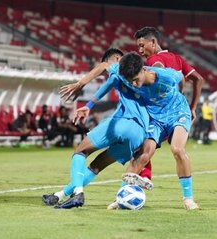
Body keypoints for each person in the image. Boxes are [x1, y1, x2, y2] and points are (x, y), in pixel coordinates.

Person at [42, 48, 150, 209]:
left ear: (117, 58)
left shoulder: (118, 66)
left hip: (123, 122)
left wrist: (80, 85)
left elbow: (104, 66)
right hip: (140, 134)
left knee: (80, 152)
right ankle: (60, 195)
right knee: (96, 166)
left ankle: (78, 193)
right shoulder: (147, 75)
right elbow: (109, 83)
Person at [116, 52, 200, 210]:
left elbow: (181, 77)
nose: (133, 84)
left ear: (143, 70)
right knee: (143, 155)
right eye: (130, 81)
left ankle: (188, 198)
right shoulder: (126, 77)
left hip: (178, 113)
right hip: (156, 119)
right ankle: (122, 194)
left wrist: (180, 96)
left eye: (136, 80)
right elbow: (106, 67)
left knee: (177, 149)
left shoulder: (167, 76)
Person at [132, 26, 204, 183]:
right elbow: (198, 79)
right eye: (138, 46)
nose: (140, 50)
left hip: (159, 113)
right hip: (179, 111)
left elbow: (158, 70)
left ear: (153, 42)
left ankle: (142, 179)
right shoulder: (177, 58)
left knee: (139, 146)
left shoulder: (152, 61)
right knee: (174, 150)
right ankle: (186, 197)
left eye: (142, 45)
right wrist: (192, 107)